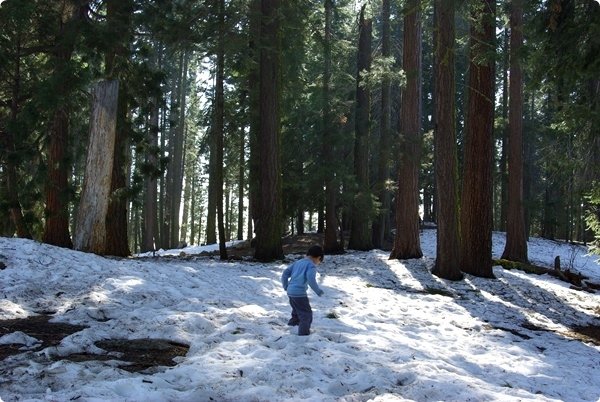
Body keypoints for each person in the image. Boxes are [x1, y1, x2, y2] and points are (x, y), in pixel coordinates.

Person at [281, 245, 325, 336]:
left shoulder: (298, 262)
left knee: (296, 312)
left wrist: (286, 286)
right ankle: (303, 335)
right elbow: (311, 280)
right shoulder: (311, 266)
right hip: (299, 293)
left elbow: (285, 273)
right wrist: (318, 291)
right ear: (319, 258)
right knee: (306, 314)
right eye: (319, 262)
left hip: (290, 292)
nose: (318, 264)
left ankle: (292, 327)